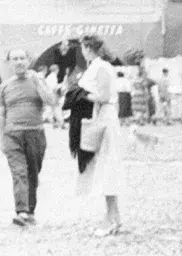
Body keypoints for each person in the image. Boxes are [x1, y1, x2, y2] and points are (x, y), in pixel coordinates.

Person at [74, 35, 126, 236]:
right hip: (101, 117)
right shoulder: (97, 66)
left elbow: (104, 97)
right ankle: (114, 217)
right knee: (104, 167)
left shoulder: (102, 67)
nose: (82, 51)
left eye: (83, 48)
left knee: (107, 167)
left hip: (105, 118)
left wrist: (80, 95)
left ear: (88, 48)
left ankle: (110, 218)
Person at [0, 49, 55, 226]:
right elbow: (1, 113)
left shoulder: (38, 80)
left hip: (35, 133)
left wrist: (38, 81)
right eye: (15, 59)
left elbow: (51, 100)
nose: (19, 62)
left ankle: (30, 211)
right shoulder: (4, 87)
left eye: (22, 58)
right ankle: (21, 211)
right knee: (19, 172)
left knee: (33, 174)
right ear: (9, 63)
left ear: (28, 60)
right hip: (12, 135)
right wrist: (1, 137)